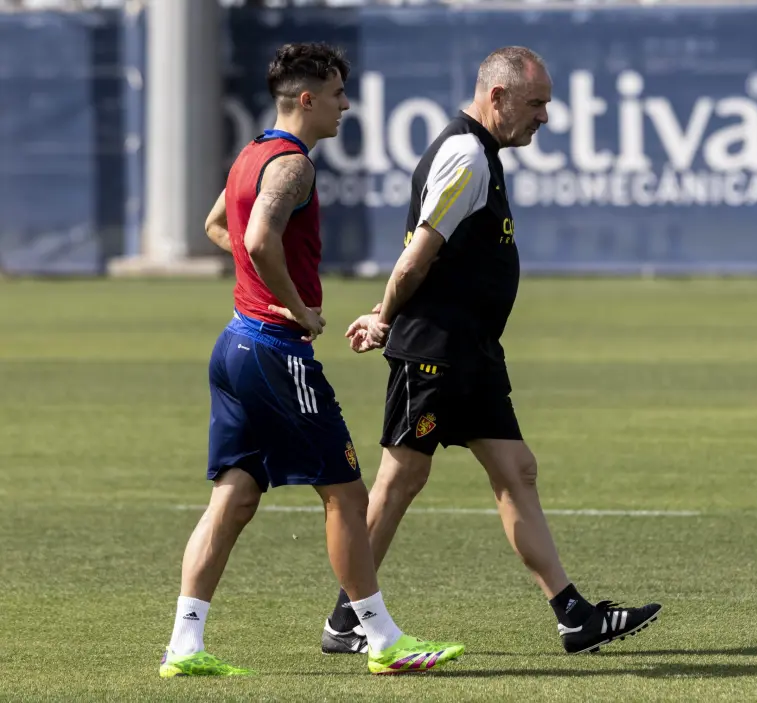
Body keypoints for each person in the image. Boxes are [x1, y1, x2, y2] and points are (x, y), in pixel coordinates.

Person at [324, 46, 661, 657]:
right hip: (434, 351)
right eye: (537, 104)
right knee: (401, 479)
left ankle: (574, 617)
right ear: (497, 97)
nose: (546, 118)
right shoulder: (465, 155)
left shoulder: (485, 154)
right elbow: (419, 252)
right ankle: (347, 618)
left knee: (517, 471)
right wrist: (383, 316)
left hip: (473, 352)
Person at [159, 42, 464, 678]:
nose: (345, 106)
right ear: (307, 98)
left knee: (236, 496)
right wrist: (296, 306)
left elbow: (218, 224)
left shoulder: (252, 154)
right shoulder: (292, 166)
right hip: (274, 351)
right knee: (348, 498)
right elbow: (256, 237)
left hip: (235, 345)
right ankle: (382, 641)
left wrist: (258, 286)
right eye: (336, 94)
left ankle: (184, 646)